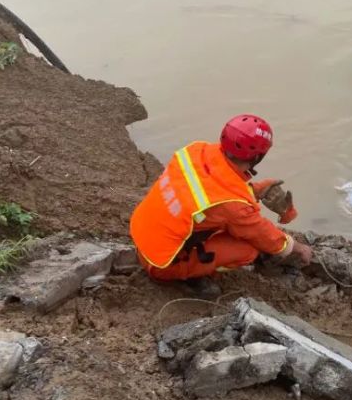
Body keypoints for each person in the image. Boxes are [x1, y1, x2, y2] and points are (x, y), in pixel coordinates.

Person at [129, 114, 312, 282]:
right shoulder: (232, 206)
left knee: (225, 222)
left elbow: (212, 192)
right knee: (248, 251)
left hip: (143, 237)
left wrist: (255, 191)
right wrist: (296, 247)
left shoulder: (196, 150)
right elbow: (262, 234)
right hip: (161, 264)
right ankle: (195, 276)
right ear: (258, 156)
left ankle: (192, 263)